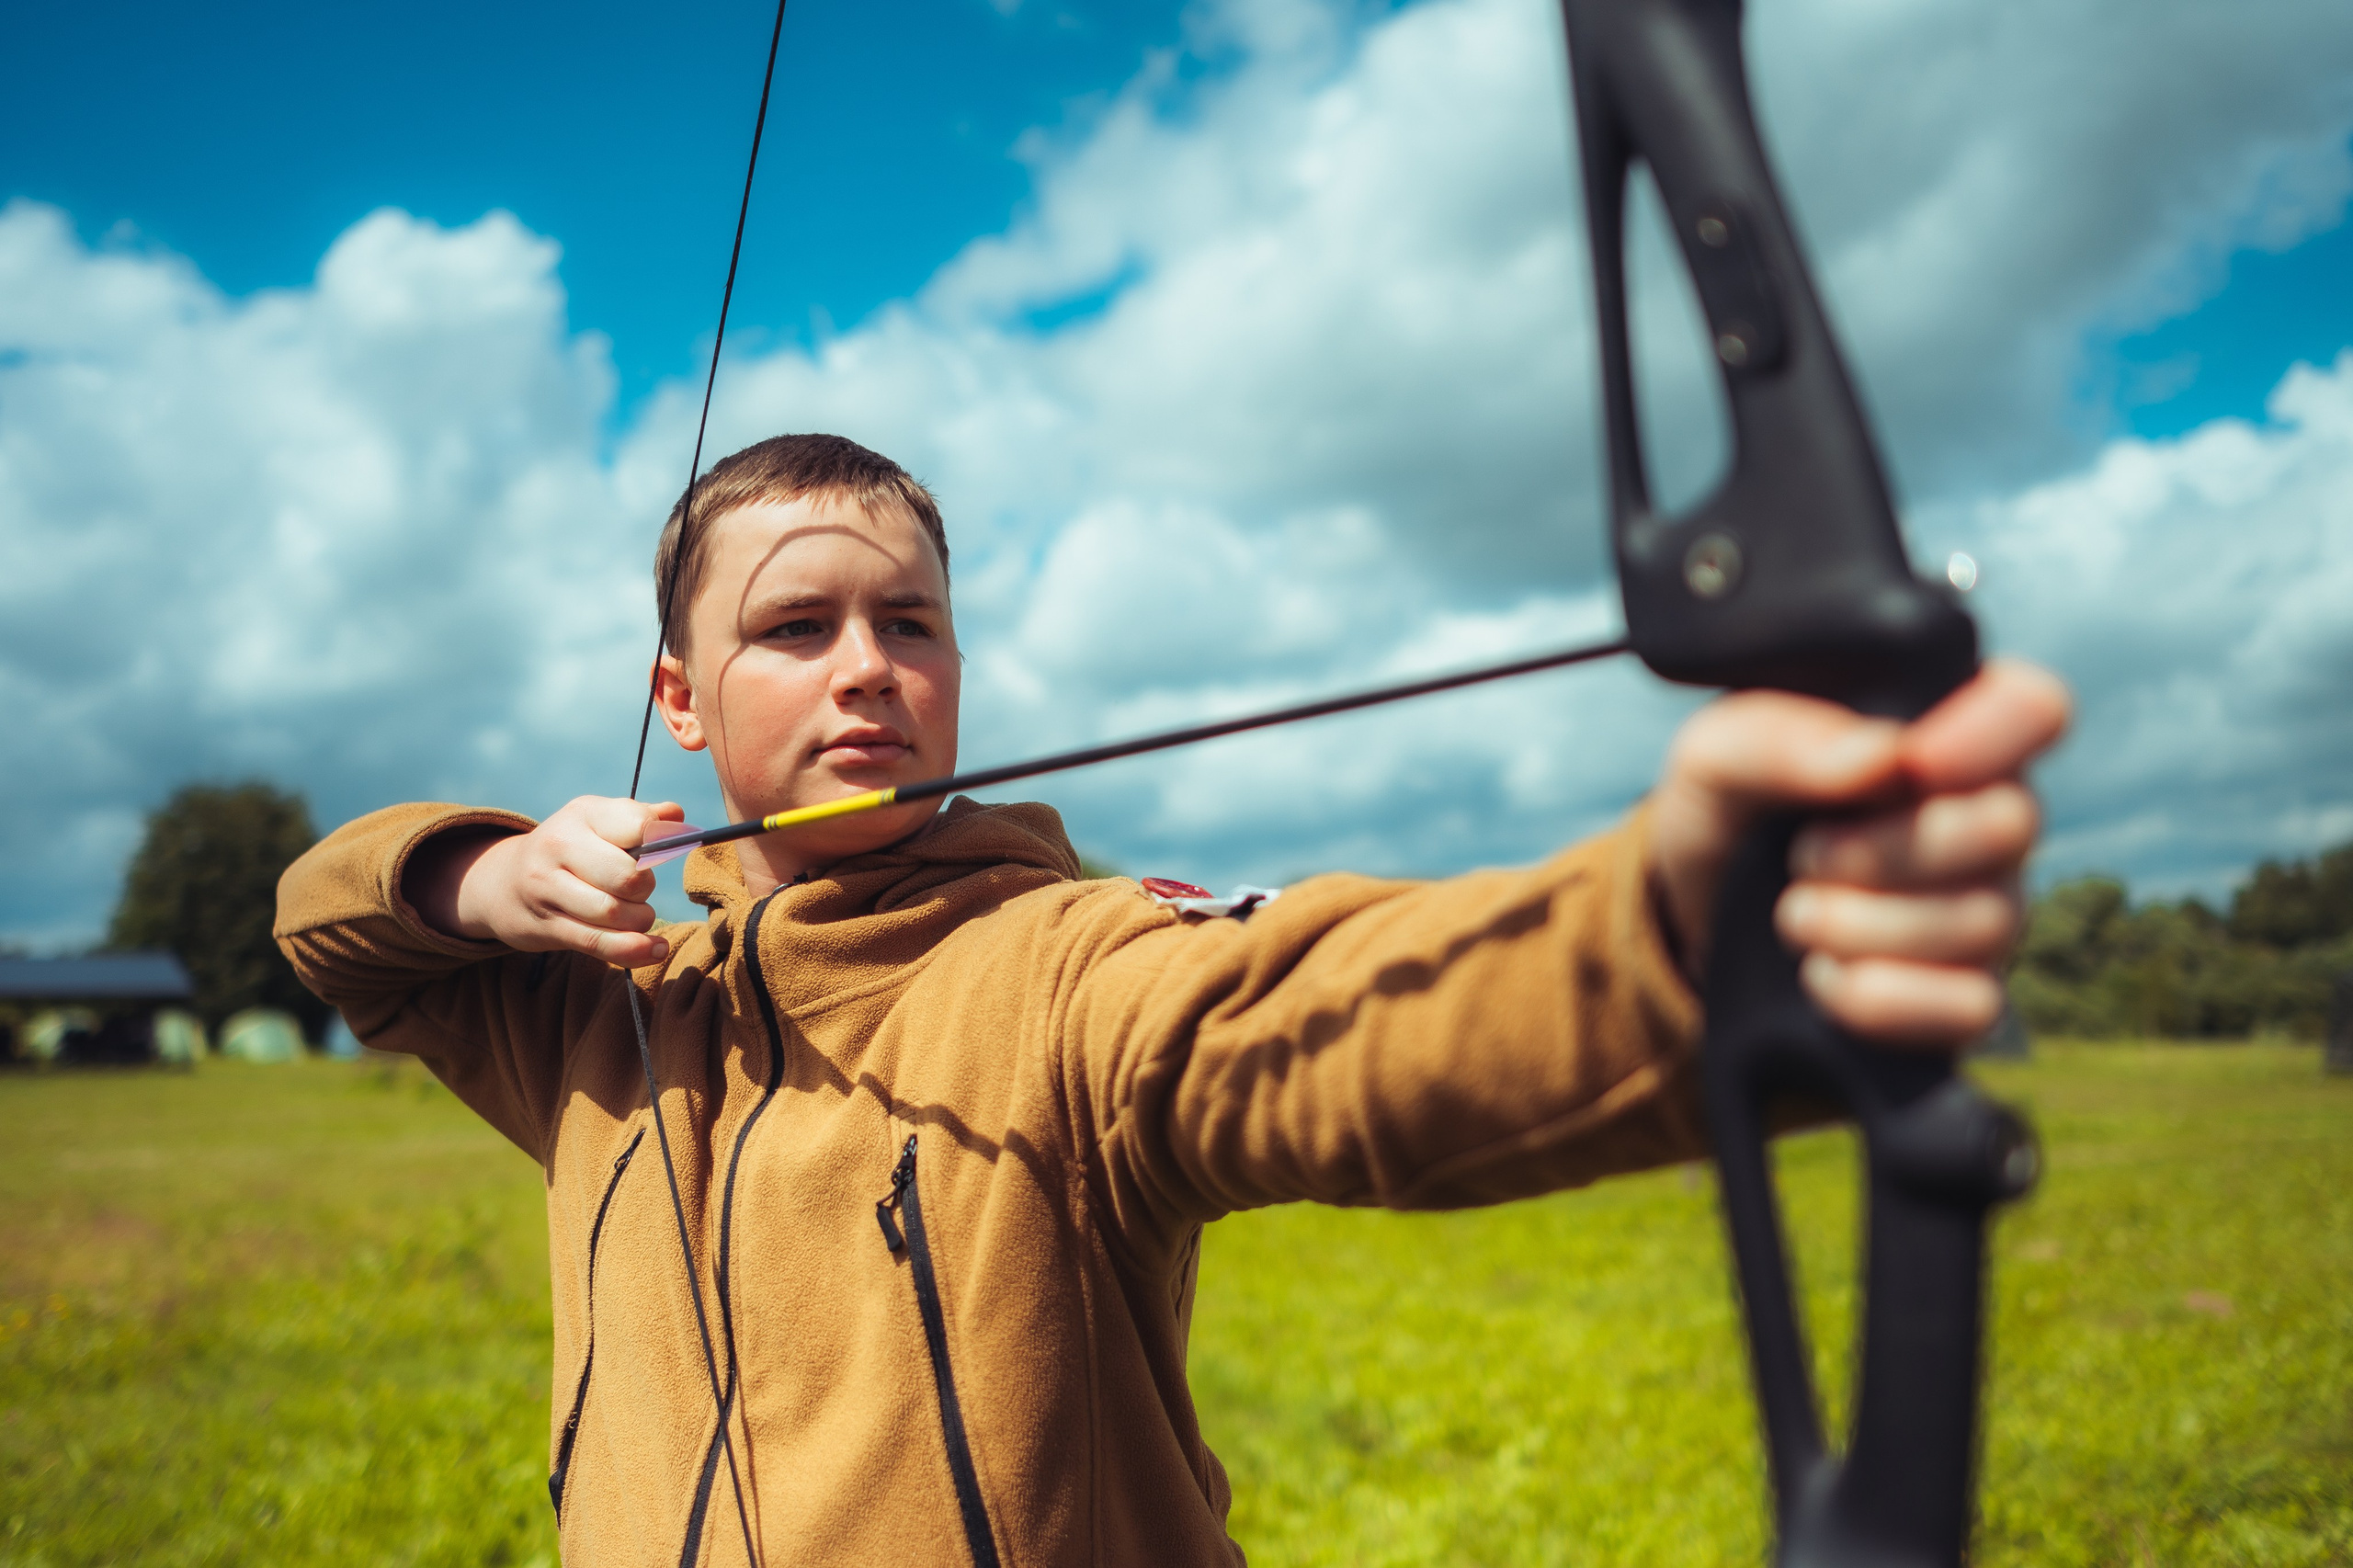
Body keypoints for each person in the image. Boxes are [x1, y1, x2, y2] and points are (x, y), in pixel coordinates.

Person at [276, 433, 2069, 1567]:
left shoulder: (1052, 964)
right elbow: (321, 927)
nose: (867, 673)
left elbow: (1316, 1018)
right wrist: (476, 874)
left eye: (909, 624)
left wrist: (1690, 930)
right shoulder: (593, 1015)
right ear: (676, 695)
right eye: (794, 627)